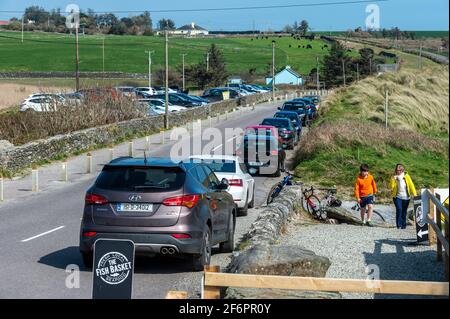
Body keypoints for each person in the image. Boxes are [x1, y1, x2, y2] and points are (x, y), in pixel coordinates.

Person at [389, 164, 417, 229]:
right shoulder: (393, 177)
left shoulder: (406, 176)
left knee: (404, 211)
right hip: (397, 196)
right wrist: (394, 180)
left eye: (399, 170)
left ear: (402, 170)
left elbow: (411, 185)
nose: (397, 171)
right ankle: (399, 225)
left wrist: (415, 194)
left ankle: (404, 225)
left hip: (406, 197)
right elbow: (391, 187)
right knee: (399, 209)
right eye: (396, 170)